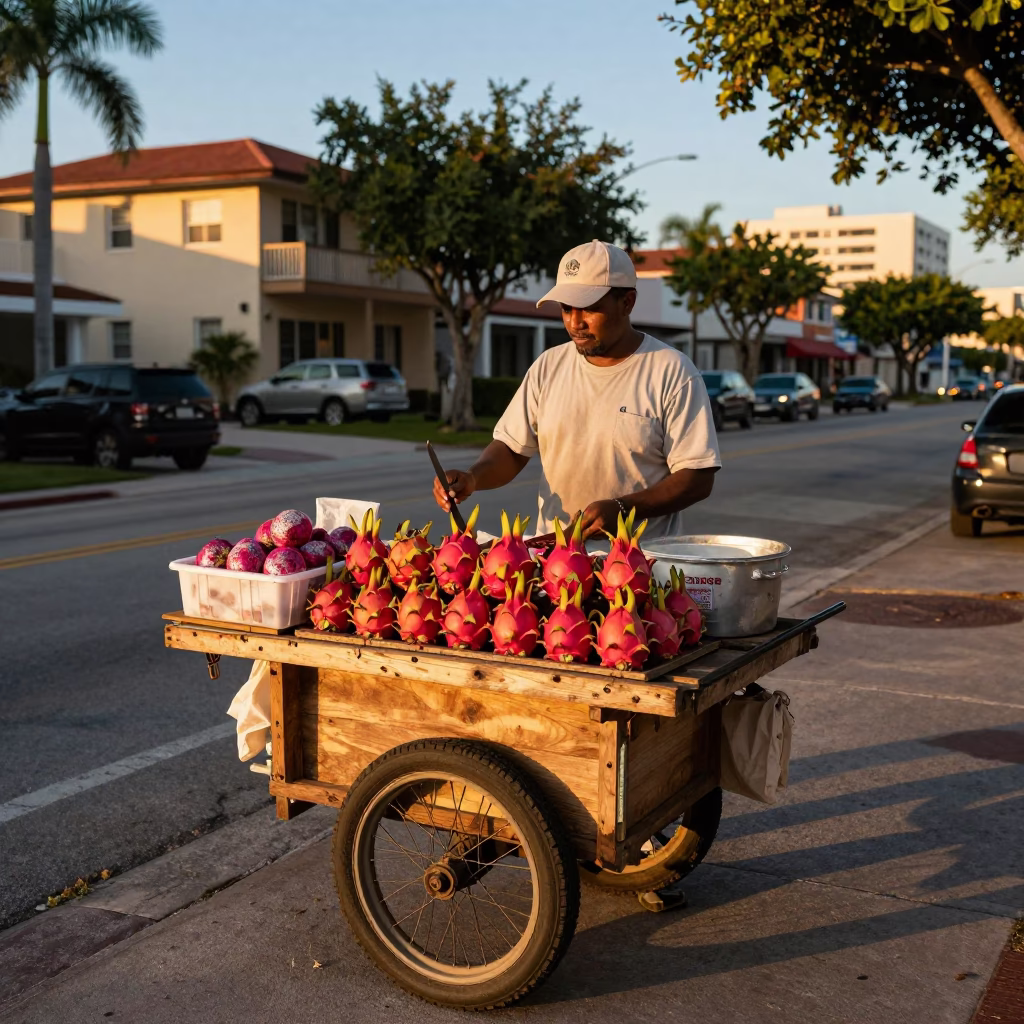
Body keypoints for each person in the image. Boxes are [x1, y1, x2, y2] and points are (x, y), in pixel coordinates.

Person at [433, 239, 720, 541]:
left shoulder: (672, 371)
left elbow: (697, 478)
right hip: (555, 564)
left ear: (627, 303)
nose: (575, 322)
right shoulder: (549, 366)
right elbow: (512, 449)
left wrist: (624, 508)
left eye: (590, 309)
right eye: (567, 309)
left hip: (640, 566)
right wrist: (473, 477)